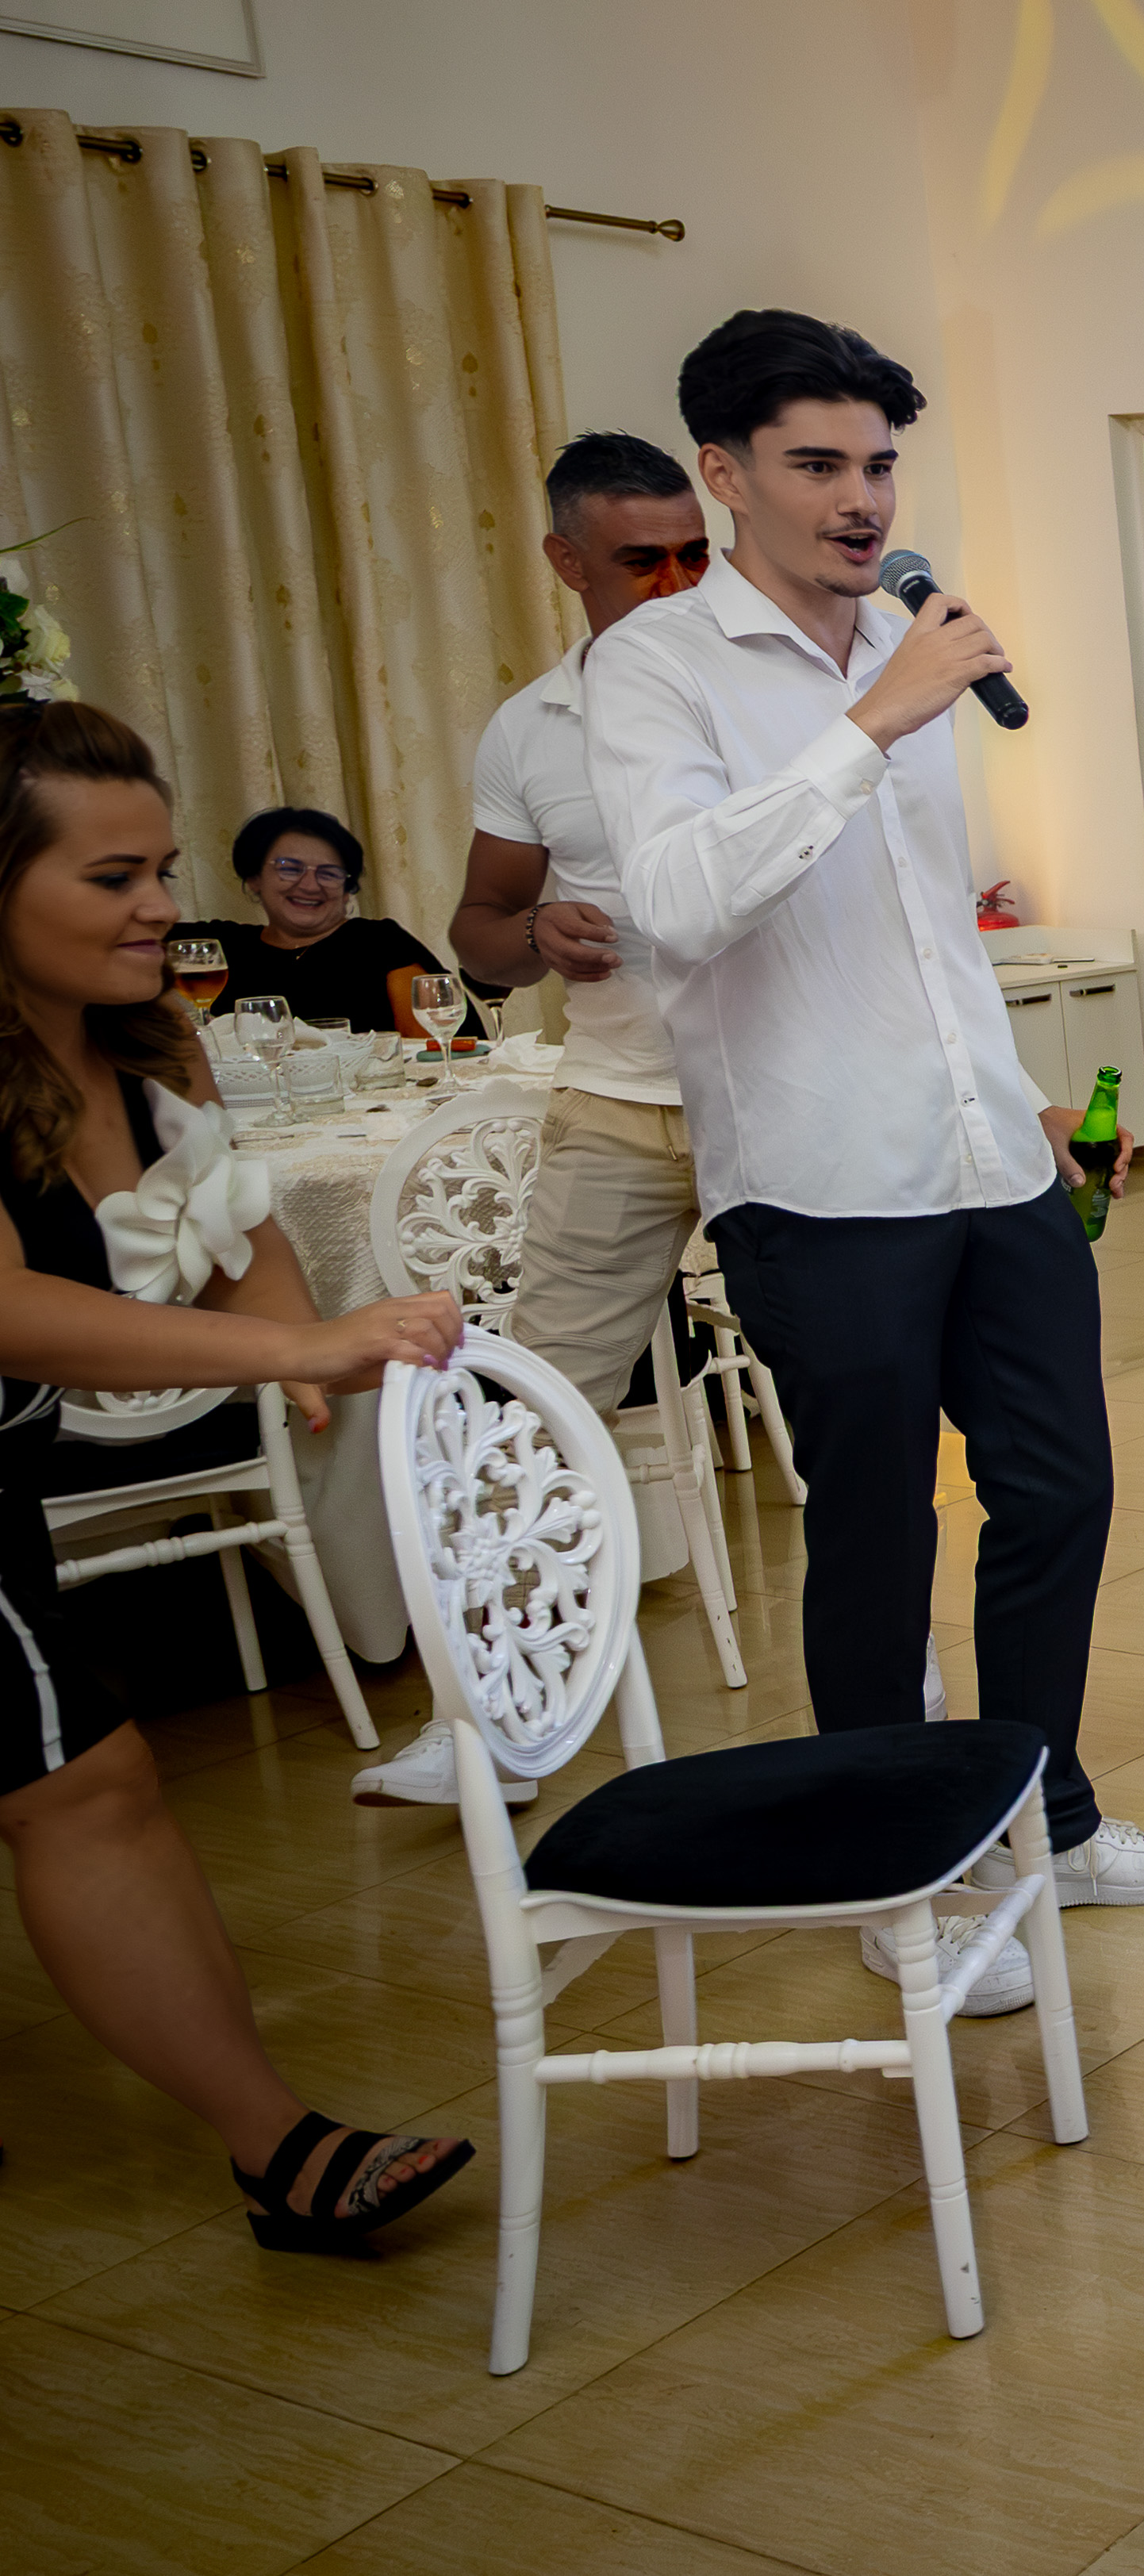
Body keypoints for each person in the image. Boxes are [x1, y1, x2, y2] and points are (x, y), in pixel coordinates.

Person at [590, 309, 1144, 2003]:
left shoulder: (906, 645)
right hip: (816, 1177)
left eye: (878, 464)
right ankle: (895, 1879)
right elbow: (677, 903)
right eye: (817, 464)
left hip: (983, 1158)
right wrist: (868, 721)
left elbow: (926, 929)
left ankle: (1046, 1818)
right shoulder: (660, 669)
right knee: (874, 1535)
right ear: (723, 475)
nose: (861, 498)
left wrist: (1016, 1095)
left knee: (1061, 1491)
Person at [0, 698, 474, 2251]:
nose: (161, 906)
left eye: (158, 869)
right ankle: (278, 2150)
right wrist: (293, 1349)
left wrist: (304, 1353)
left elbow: (236, 1220)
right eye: (111, 879)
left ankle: (277, 2149)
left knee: (83, 1791)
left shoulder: (141, 1046)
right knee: (88, 1791)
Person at [347, 434, 724, 1815]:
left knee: (848, 1408)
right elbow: (479, 930)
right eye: (642, 560)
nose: (677, 582)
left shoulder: (766, 694)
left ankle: (895, 1707)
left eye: (695, 553)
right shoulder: (531, 728)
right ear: (567, 562)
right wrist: (534, 934)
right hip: (612, 1101)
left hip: (777, 1107)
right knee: (529, 1411)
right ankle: (494, 1720)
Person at [174, 807, 452, 1032]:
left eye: (329, 873)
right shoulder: (219, 948)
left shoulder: (381, 943)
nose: (310, 885)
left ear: (347, 890)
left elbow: (429, 1055)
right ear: (255, 878)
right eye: (289, 868)